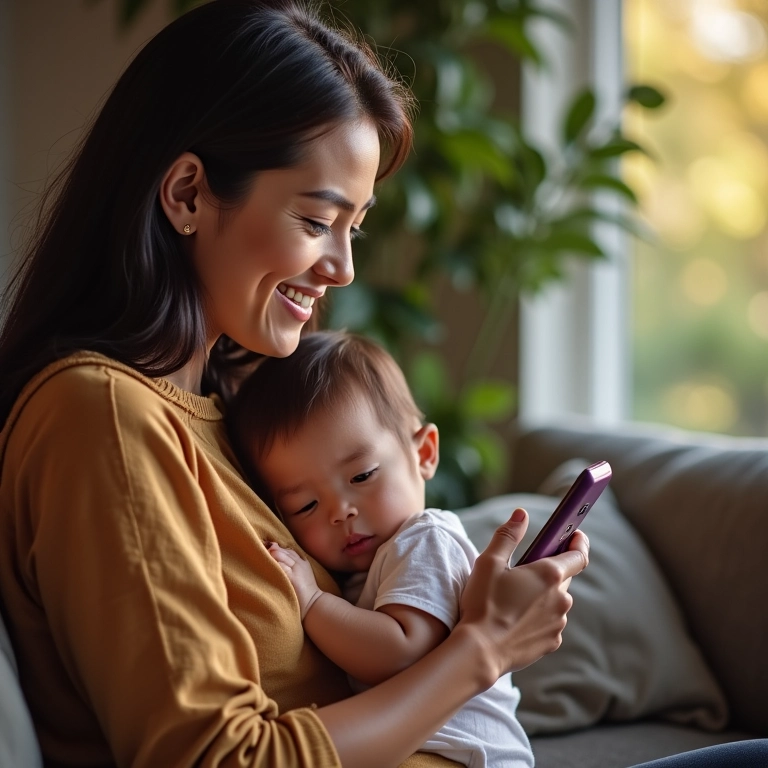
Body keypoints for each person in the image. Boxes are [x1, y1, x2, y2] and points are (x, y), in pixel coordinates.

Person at [0, 1, 763, 767]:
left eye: (354, 227)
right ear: (189, 195)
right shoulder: (100, 414)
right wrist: (482, 648)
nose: (344, 268)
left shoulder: (227, 413)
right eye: (315, 220)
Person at [228, 329, 535, 768]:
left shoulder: (424, 539)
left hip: (472, 758)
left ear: (425, 453)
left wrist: (313, 602)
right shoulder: (365, 566)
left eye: (361, 476)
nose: (340, 512)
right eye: (306, 505)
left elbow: (400, 651)